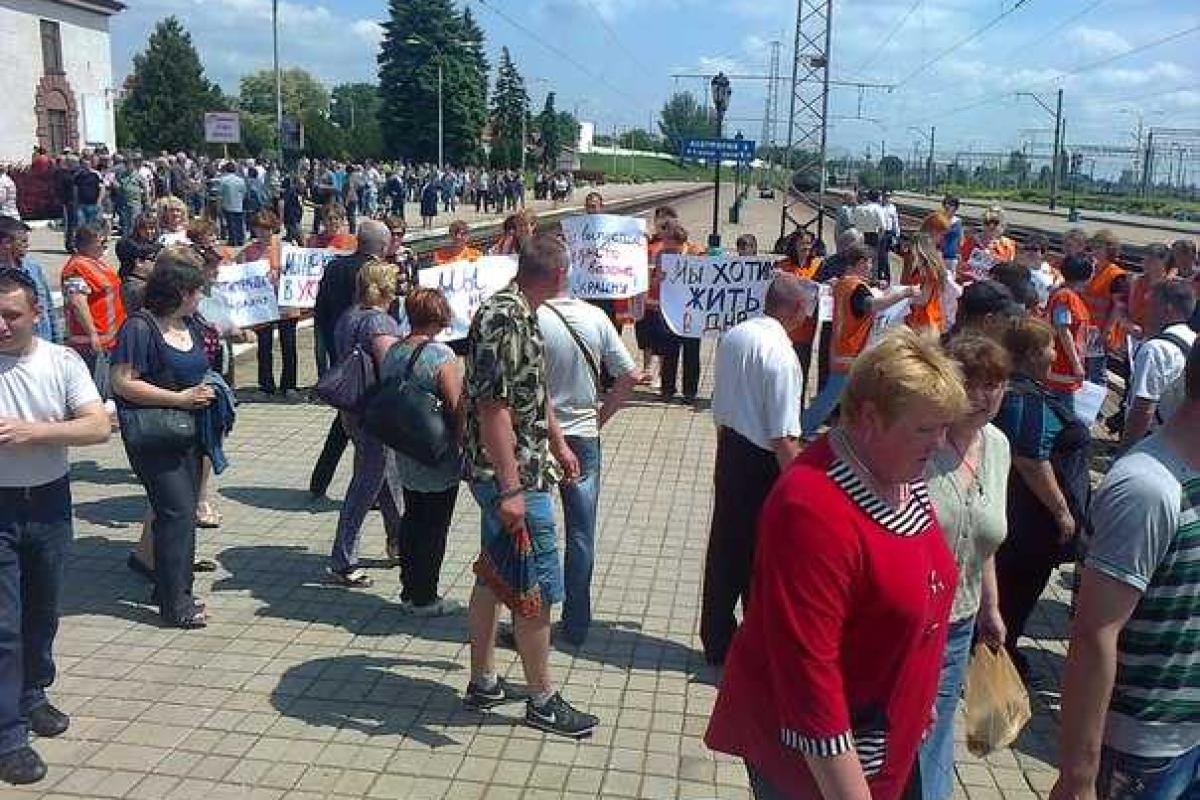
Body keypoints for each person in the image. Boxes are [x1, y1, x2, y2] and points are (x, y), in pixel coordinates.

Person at [706, 327, 967, 800]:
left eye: (943, 427)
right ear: (869, 418)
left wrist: (920, 689)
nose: (940, 442)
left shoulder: (899, 472)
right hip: (827, 763)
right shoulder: (811, 506)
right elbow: (810, 677)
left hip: (890, 732)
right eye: (926, 428)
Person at [461, 233, 597, 739]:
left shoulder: (523, 311)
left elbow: (530, 391)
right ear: (560, 276)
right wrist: (512, 489)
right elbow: (492, 407)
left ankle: (484, 681)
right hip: (513, 476)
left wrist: (559, 442)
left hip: (522, 465)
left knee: (494, 576)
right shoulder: (506, 316)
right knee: (531, 589)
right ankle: (542, 699)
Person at [1051, 343, 1200, 800]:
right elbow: (1094, 634)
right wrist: (1078, 777)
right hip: (1141, 748)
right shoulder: (1147, 489)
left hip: (1188, 734)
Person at [0, 268, 109, 786]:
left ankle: (33, 692)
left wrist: (34, 432)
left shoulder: (59, 361)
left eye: (11, 315)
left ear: (35, 315)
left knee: (43, 610)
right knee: (4, 625)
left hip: (48, 502)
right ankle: (8, 734)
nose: (1, 325)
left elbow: (96, 425)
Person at [700, 274, 815, 666]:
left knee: (724, 549)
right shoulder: (784, 358)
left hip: (729, 446)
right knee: (760, 556)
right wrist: (803, 491)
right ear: (796, 311)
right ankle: (755, 642)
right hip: (760, 462)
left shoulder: (736, 335)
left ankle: (716, 638)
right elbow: (784, 437)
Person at [917, 334, 1012, 800]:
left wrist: (991, 609)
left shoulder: (998, 447)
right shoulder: (922, 442)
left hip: (959, 620)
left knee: (937, 729)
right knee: (902, 726)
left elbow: (983, 540)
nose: (983, 394)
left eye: (995, 383)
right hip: (908, 619)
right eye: (970, 382)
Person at [109, 248, 215, 629]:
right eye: (197, 291)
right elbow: (122, 381)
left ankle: (170, 586)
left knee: (179, 515)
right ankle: (176, 605)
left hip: (189, 434)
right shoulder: (140, 327)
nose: (201, 298)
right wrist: (179, 399)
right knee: (177, 513)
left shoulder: (190, 324)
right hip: (155, 437)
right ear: (180, 291)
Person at [536, 278, 640, 646]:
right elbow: (629, 375)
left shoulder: (533, 315)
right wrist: (600, 417)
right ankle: (577, 623)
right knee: (581, 533)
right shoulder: (597, 317)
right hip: (583, 435)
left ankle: (532, 620)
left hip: (540, 436)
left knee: (536, 530)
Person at [994, 317, 1091, 681]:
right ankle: (998, 656)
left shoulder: (1018, 390)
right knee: (1017, 589)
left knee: (1011, 587)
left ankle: (1000, 649)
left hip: (1017, 514)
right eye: (1051, 346)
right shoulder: (1025, 399)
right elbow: (1031, 459)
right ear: (1034, 354)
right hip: (1029, 519)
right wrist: (1063, 512)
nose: (1056, 353)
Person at [373, 288, 463, 614]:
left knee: (413, 517)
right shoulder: (441, 356)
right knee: (435, 525)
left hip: (407, 447)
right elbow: (456, 406)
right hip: (436, 453)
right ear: (439, 316)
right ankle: (426, 595)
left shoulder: (394, 351)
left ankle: (409, 589)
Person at [326, 259, 406, 588]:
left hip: (353, 411)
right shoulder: (379, 322)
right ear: (386, 288)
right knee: (365, 485)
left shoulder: (350, 315)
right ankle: (343, 559)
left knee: (387, 479)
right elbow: (392, 368)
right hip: (377, 413)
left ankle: (400, 542)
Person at [801, 244, 919, 440]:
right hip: (850, 352)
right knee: (831, 396)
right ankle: (805, 427)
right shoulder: (856, 288)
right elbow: (874, 305)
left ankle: (837, 429)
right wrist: (904, 293)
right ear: (861, 263)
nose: (871, 267)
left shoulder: (842, 284)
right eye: (869, 263)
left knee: (844, 395)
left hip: (841, 348)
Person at [310, 221, 391, 499]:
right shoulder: (377, 274)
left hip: (340, 351)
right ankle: (374, 493)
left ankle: (319, 481)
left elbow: (319, 311)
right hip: (367, 361)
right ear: (382, 246)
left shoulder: (334, 267)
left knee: (344, 421)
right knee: (366, 432)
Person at [1121, 279, 1196, 448]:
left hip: (1154, 442)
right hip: (1184, 440)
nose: (1145, 313)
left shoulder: (1155, 349)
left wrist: (1125, 451)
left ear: (1166, 309)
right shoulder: (1194, 341)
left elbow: (1143, 409)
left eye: (1150, 306)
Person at [241, 210, 299, 399]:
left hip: (285, 303)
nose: (263, 233)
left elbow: (297, 271)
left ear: (273, 228)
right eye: (259, 228)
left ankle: (289, 385)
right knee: (264, 346)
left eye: (267, 228)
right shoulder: (249, 251)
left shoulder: (286, 247)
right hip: (263, 305)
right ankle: (266, 385)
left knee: (288, 345)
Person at [60, 224, 126, 388]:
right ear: (86, 244)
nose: (105, 244)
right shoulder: (76, 269)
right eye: (101, 241)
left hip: (109, 339)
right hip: (92, 343)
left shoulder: (96, 262)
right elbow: (77, 303)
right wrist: (92, 335)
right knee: (97, 388)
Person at [650, 221, 704, 403]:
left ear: (679, 242)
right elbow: (656, 282)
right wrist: (660, 278)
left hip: (692, 311)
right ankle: (668, 389)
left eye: (668, 243)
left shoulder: (696, 252)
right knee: (669, 350)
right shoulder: (662, 255)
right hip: (671, 310)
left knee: (691, 352)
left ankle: (690, 392)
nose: (665, 247)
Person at [1045, 252, 1096, 410]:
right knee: (1064, 412)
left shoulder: (1070, 295)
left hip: (1067, 366)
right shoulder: (1065, 297)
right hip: (1062, 366)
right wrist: (1076, 364)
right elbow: (1063, 329)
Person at [0, 218, 57, 343]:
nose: (27, 245)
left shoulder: (34, 268)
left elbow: (48, 308)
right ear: (6, 243)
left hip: (42, 344)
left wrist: (56, 340)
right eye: (23, 241)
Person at [115, 212, 161, 313]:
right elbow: (138, 250)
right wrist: (158, 248)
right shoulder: (127, 243)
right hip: (131, 285)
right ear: (138, 229)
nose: (149, 232)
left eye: (152, 228)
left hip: (149, 284)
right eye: (145, 229)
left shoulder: (155, 243)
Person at [903, 232, 948, 335]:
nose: (910, 252)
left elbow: (923, 299)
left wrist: (899, 297)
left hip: (926, 320)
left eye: (912, 248)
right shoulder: (919, 266)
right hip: (918, 317)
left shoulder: (929, 270)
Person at [958, 205, 1016, 282]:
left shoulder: (1008, 245)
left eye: (995, 222)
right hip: (971, 285)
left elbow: (1009, 270)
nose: (991, 226)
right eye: (987, 222)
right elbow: (962, 265)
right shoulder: (971, 241)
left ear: (1002, 225)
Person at [940, 195, 963, 275]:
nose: (947, 206)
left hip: (953, 257)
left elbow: (960, 239)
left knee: (951, 280)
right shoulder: (939, 220)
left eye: (950, 204)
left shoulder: (958, 221)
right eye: (945, 204)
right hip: (940, 256)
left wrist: (960, 253)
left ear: (956, 207)